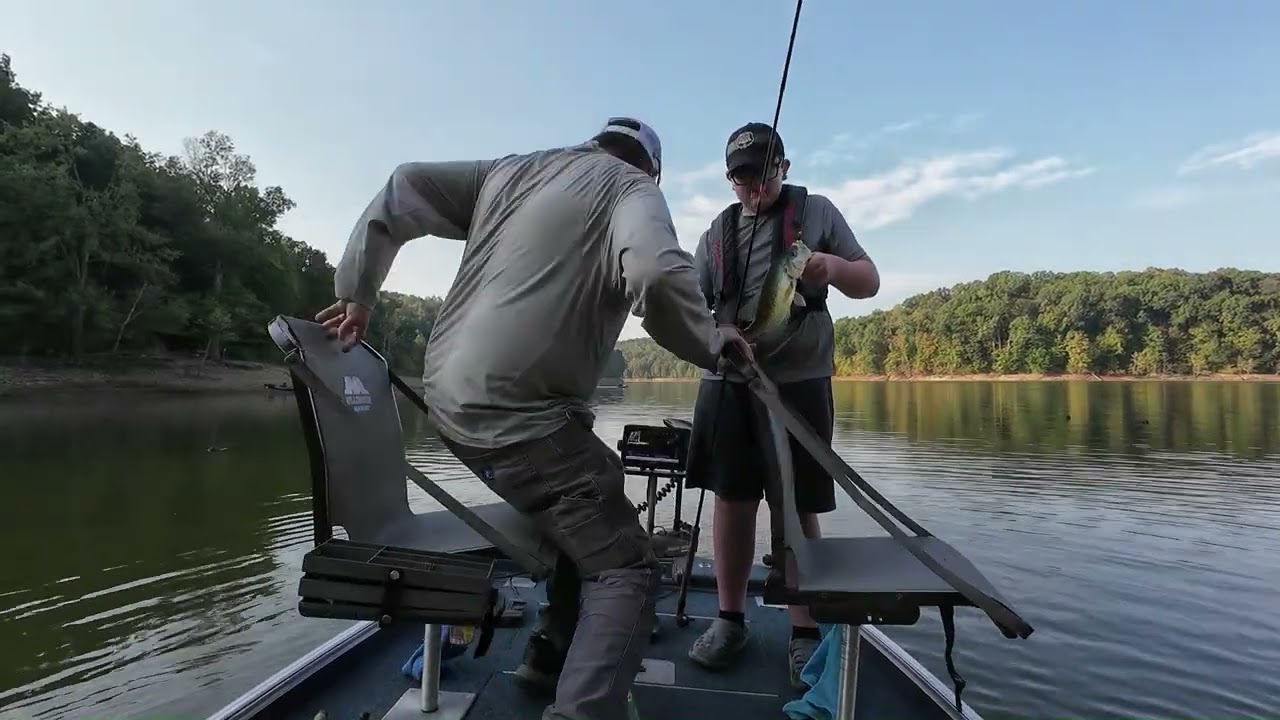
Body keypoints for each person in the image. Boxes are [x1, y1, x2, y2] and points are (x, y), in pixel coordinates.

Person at [315, 117, 754, 720]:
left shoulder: (509, 170)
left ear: (592, 142)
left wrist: (358, 290)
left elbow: (404, 183)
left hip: (447, 401)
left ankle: (547, 654)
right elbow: (653, 274)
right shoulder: (633, 189)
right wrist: (713, 342)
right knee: (626, 567)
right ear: (653, 169)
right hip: (522, 421)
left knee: (587, 497)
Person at [684, 122, 881, 689]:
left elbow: (868, 280)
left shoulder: (816, 213)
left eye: (764, 172)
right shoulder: (714, 234)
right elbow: (691, 306)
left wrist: (833, 269)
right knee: (732, 499)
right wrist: (717, 336)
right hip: (729, 381)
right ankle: (729, 619)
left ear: (784, 168)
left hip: (798, 380)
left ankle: (803, 629)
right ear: (729, 179)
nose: (753, 186)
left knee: (795, 507)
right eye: (741, 177)